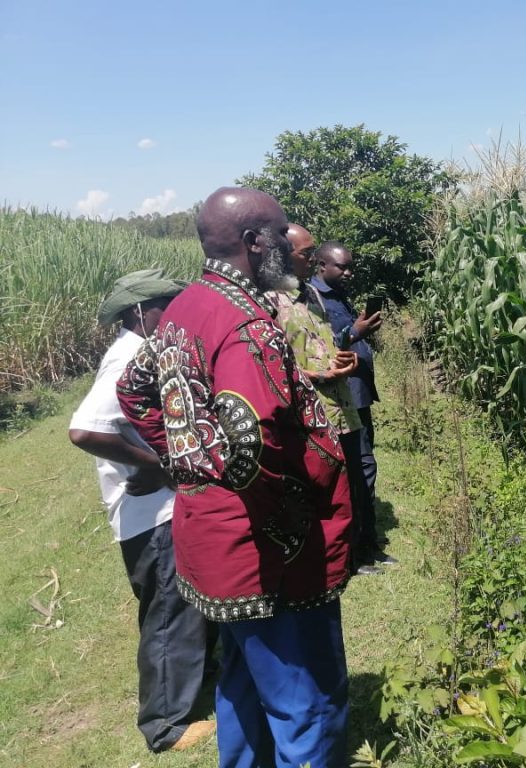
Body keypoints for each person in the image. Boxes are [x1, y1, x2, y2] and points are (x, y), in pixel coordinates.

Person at [117, 187, 353, 768]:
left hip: (211, 536)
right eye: (280, 235)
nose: (288, 245)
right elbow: (253, 441)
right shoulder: (245, 322)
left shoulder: (186, 306)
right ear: (254, 243)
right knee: (306, 699)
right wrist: (290, 510)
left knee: (243, 680)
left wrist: (185, 459)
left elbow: (136, 389)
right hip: (266, 551)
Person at [68, 269, 215, 753]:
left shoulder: (146, 349)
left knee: (186, 603)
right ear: (139, 312)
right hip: (150, 516)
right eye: (165, 306)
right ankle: (165, 724)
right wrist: (160, 465)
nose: (174, 313)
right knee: (170, 610)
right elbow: (86, 429)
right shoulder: (128, 356)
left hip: (163, 508)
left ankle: (196, 683)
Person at [266, 225, 381, 576]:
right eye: (306, 253)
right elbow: (271, 364)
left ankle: (358, 552)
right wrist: (318, 376)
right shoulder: (269, 301)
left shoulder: (312, 296)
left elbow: (326, 342)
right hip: (310, 412)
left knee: (355, 480)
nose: (313, 259)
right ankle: (333, 561)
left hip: (342, 406)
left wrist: (342, 357)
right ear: (283, 255)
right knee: (324, 487)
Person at [311, 242, 395, 568]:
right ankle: (358, 549)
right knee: (359, 469)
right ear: (321, 265)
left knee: (364, 467)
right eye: (342, 267)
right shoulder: (314, 299)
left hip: (358, 396)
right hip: (343, 399)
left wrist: (359, 329)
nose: (349, 273)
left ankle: (366, 541)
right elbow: (320, 347)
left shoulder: (338, 295)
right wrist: (355, 333)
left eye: (350, 267)